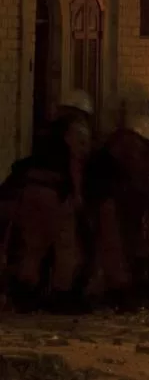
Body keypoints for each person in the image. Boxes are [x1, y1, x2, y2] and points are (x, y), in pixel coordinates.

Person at [9, 106, 92, 314]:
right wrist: (77, 194)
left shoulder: (46, 132)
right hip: (54, 193)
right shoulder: (75, 130)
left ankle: (25, 294)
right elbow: (75, 161)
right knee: (66, 246)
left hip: (30, 190)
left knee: (33, 246)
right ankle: (61, 295)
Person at [83, 114, 149, 312]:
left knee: (112, 248)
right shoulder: (123, 153)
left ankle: (114, 291)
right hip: (106, 201)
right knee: (112, 247)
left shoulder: (112, 152)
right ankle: (117, 291)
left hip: (111, 202)